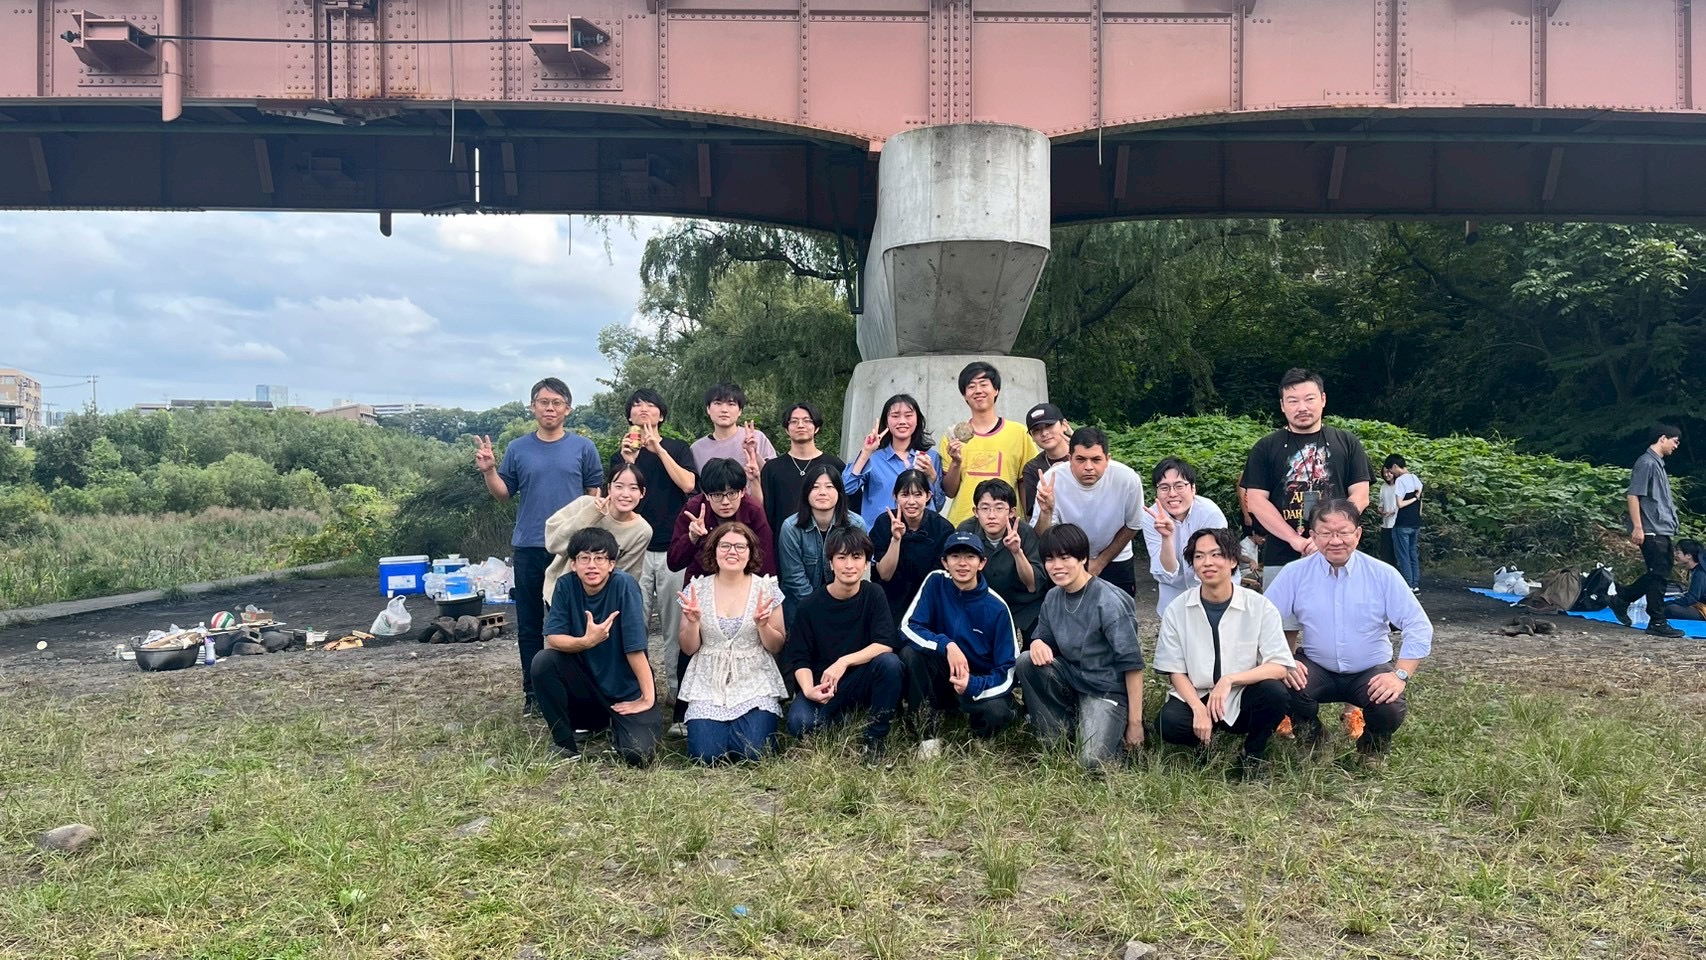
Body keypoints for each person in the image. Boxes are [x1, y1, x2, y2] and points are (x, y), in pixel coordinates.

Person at [1265, 499, 1434, 759]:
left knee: (1389, 705)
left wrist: (1399, 675)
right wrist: (1283, 660)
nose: (1335, 541)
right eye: (1326, 533)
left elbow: (1418, 625)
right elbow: (1263, 620)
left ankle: (1372, 750)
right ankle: (1313, 739)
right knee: (1280, 686)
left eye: (1343, 532)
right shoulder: (1294, 573)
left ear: (1358, 534)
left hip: (1369, 670)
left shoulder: (1383, 574)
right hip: (1317, 667)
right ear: (1312, 536)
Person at [475, 377, 605, 714]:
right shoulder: (518, 448)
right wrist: (489, 471)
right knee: (531, 625)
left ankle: (579, 691)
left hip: (571, 549)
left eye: (557, 403)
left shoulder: (583, 448)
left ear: (568, 409)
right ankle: (534, 693)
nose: (550, 408)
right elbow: (503, 494)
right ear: (533, 407)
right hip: (530, 546)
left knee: (574, 621)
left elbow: (594, 497)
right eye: (543, 402)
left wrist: (591, 542)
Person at [1154, 527, 1294, 778]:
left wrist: (1229, 680)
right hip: (1198, 694)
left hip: (1242, 694)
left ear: (1232, 561)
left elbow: (1279, 665)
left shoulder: (1259, 606)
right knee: (1169, 723)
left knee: (1275, 693)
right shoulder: (1177, 609)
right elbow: (1175, 670)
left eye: (1216, 554)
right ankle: (1204, 746)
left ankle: (1253, 753)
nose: (1207, 562)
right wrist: (1197, 708)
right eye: (1199, 556)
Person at [1017, 523, 1145, 770]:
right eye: (1050, 559)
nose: (1057, 566)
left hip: (1105, 689)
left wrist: (1135, 723)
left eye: (1065, 557)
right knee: (1026, 661)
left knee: (1093, 763)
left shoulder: (1109, 601)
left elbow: (1132, 665)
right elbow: (1043, 636)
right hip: (1072, 680)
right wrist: (1037, 642)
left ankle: (1113, 729)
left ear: (1083, 558)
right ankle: (1055, 736)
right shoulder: (1053, 596)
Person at [531, 527, 659, 765]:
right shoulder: (566, 586)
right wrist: (587, 641)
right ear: (573, 564)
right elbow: (554, 638)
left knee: (638, 755)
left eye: (600, 558)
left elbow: (635, 648)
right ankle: (564, 744)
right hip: (586, 689)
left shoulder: (625, 586)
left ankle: (617, 725)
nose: (592, 565)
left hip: (624, 689)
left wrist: (648, 698)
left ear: (611, 564)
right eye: (584, 558)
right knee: (543, 662)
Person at [1240, 369, 1373, 593]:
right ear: (1282, 405)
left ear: (1323, 399)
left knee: (1340, 613)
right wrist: (1295, 539)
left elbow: (1361, 495)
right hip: (1281, 554)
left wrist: (1329, 535)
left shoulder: (1347, 442)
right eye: (1293, 401)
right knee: (1280, 616)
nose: (1302, 407)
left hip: (1338, 552)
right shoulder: (1266, 447)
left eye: (1309, 399)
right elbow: (1255, 501)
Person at [784, 528, 906, 760]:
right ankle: (845, 719)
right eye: (842, 557)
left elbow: (885, 643)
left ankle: (875, 738)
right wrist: (809, 690)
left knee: (890, 663)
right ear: (831, 563)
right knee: (800, 723)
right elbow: (799, 658)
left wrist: (844, 662)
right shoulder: (809, 606)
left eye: (857, 557)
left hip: (861, 679)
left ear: (866, 563)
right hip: (823, 685)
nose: (849, 565)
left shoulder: (874, 594)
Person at [611, 388, 698, 706]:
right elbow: (615, 502)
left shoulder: (677, 448)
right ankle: (637, 691)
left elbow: (689, 484)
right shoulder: (620, 455)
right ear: (629, 416)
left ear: (661, 415)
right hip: (633, 552)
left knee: (676, 626)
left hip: (673, 551)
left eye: (650, 405)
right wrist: (628, 462)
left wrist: (658, 450)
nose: (643, 409)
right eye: (636, 405)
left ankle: (677, 694)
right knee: (634, 624)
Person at [676, 522, 789, 763]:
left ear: (750, 552)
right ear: (714, 550)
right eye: (725, 545)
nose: (732, 552)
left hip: (754, 680)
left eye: (740, 546)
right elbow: (688, 648)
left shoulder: (766, 588)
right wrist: (693, 623)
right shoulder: (696, 588)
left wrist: (763, 626)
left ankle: (749, 730)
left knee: (752, 753)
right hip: (709, 681)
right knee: (706, 756)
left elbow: (776, 645)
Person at [899, 533, 1020, 756]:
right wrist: (947, 645)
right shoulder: (935, 581)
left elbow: (1009, 670)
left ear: (982, 563)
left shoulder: (997, 608)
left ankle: (981, 735)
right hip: (941, 675)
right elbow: (909, 627)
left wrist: (972, 684)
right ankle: (927, 735)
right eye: (955, 556)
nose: (962, 563)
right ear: (945, 562)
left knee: (998, 711)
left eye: (970, 557)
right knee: (910, 653)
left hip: (975, 683)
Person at [1032, 426, 1146, 596]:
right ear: (1069, 459)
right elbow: (1043, 535)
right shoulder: (1051, 480)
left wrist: (1100, 562)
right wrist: (1046, 512)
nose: (1088, 467)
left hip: (1115, 557)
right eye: (1080, 459)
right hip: (1066, 560)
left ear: (1107, 459)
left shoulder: (1127, 479)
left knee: (1120, 608)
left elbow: (1133, 525)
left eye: (1096, 459)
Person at [1610, 425, 1686, 638]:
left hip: (1661, 528)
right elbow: (1633, 495)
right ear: (1663, 438)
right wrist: (1638, 527)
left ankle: (1623, 598)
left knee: (1659, 573)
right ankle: (1657, 621)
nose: (1676, 446)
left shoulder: (1657, 464)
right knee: (1658, 575)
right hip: (1651, 529)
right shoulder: (1646, 463)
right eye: (1675, 441)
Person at [939, 362, 1038, 526]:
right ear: (964, 394)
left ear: (996, 390)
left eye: (984, 384)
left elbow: (1025, 482)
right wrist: (956, 462)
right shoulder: (952, 437)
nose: (978, 390)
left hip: (1007, 525)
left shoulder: (1019, 433)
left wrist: (1027, 522)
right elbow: (950, 491)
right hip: (963, 524)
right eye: (971, 386)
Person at [541, 463, 653, 605]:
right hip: (561, 594)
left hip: (601, 603)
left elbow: (627, 575)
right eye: (619, 486)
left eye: (633, 488)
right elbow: (553, 544)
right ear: (609, 488)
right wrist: (592, 513)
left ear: (642, 493)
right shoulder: (584, 504)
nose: (625, 494)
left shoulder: (642, 530)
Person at [777, 463, 868, 628]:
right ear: (806, 493)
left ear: (840, 492)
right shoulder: (791, 527)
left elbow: (857, 568)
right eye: (815, 487)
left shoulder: (856, 524)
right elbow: (794, 578)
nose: (822, 492)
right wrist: (821, 609)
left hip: (844, 607)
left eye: (829, 486)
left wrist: (836, 608)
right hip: (801, 610)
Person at [955, 479, 1047, 641]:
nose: (991, 515)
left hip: (1023, 605)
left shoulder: (1024, 532)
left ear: (1011, 512)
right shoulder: (966, 532)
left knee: (1038, 643)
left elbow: (1032, 585)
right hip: (981, 602)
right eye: (985, 508)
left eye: (999, 508)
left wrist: (1017, 552)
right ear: (975, 511)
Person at [1139, 457, 1228, 615]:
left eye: (1179, 486)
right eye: (1164, 487)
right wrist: (1166, 537)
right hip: (1173, 596)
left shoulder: (1209, 513)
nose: (1172, 494)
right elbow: (1167, 572)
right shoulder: (1151, 517)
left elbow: (1215, 563)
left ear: (1193, 489)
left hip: (1214, 589)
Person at [843, 393, 945, 529]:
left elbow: (938, 504)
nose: (902, 421)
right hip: (880, 535)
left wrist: (932, 476)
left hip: (922, 535)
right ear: (886, 421)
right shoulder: (873, 459)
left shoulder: (930, 457)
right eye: (895, 416)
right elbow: (846, 488)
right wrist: (866, 452)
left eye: (908, 415)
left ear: (917, 420)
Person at [870, 469, 956, 627]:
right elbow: (885, 574)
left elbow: (939, 580)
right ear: (895, 496)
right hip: (889, 602)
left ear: (928, 496)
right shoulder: (883, 523)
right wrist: (896, 539)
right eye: (905, 495)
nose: (911, 501)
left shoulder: (943, 529)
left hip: (927, 605)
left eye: (918, 495)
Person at [668, 458, 778, 581]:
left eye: (732, 493)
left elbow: (766, 561)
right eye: (717, 495)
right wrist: (692, 538)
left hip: (743, 580)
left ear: (743, 492)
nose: (725, 502)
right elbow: (673, 563)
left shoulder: (753, 510)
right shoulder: (694, 509)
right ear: (706, 495)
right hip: (702, 580)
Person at [761, 402, 847, 554]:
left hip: (830, 546)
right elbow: (767, 513)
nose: (800, 425)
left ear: (816, 427)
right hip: (785, 547)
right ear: (786, 429)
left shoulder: (835, 465)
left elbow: (846, 506)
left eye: (807, 421)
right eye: (794, 421)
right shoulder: (772, 468)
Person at [689, 383, 777, 504]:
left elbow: (775, 479)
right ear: (708, 409)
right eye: (718, 403)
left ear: (740, 410)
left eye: (731, 404)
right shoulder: (697, 449)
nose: (724, 410)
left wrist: (754, 454)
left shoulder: (756, 438)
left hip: (755, 511)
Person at [1019, 403, 1072, 518]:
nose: (1044, 433)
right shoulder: (1032, 468)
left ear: (1064, 425)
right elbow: (1034, 516)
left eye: (1049, 426)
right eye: (1037, 430)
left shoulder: (1085, 456)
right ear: (1031, 437)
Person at [1384, 454, 1424, 592]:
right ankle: (1415, 584)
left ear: (1395, 466)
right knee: (1412, 553)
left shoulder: (1400, 481)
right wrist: (1416, 498)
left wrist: (1413, 498)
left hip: (1402, 523)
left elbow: (1400, 504)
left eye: (1391, 469)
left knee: (1403, 555)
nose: (1391, 473)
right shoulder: (1416, 479)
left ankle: (1407, 584)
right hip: (1415, 522)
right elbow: (1420, 504)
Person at [1662, 538, 1706, 622]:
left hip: (1703, 609)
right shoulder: (1696, 570)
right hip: (1700, 605)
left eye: (1678, 552)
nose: (1675, 555)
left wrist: (1668, 603)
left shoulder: (1700, 573)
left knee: (1670, 609)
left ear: (1688, 556)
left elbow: (1692, 598)